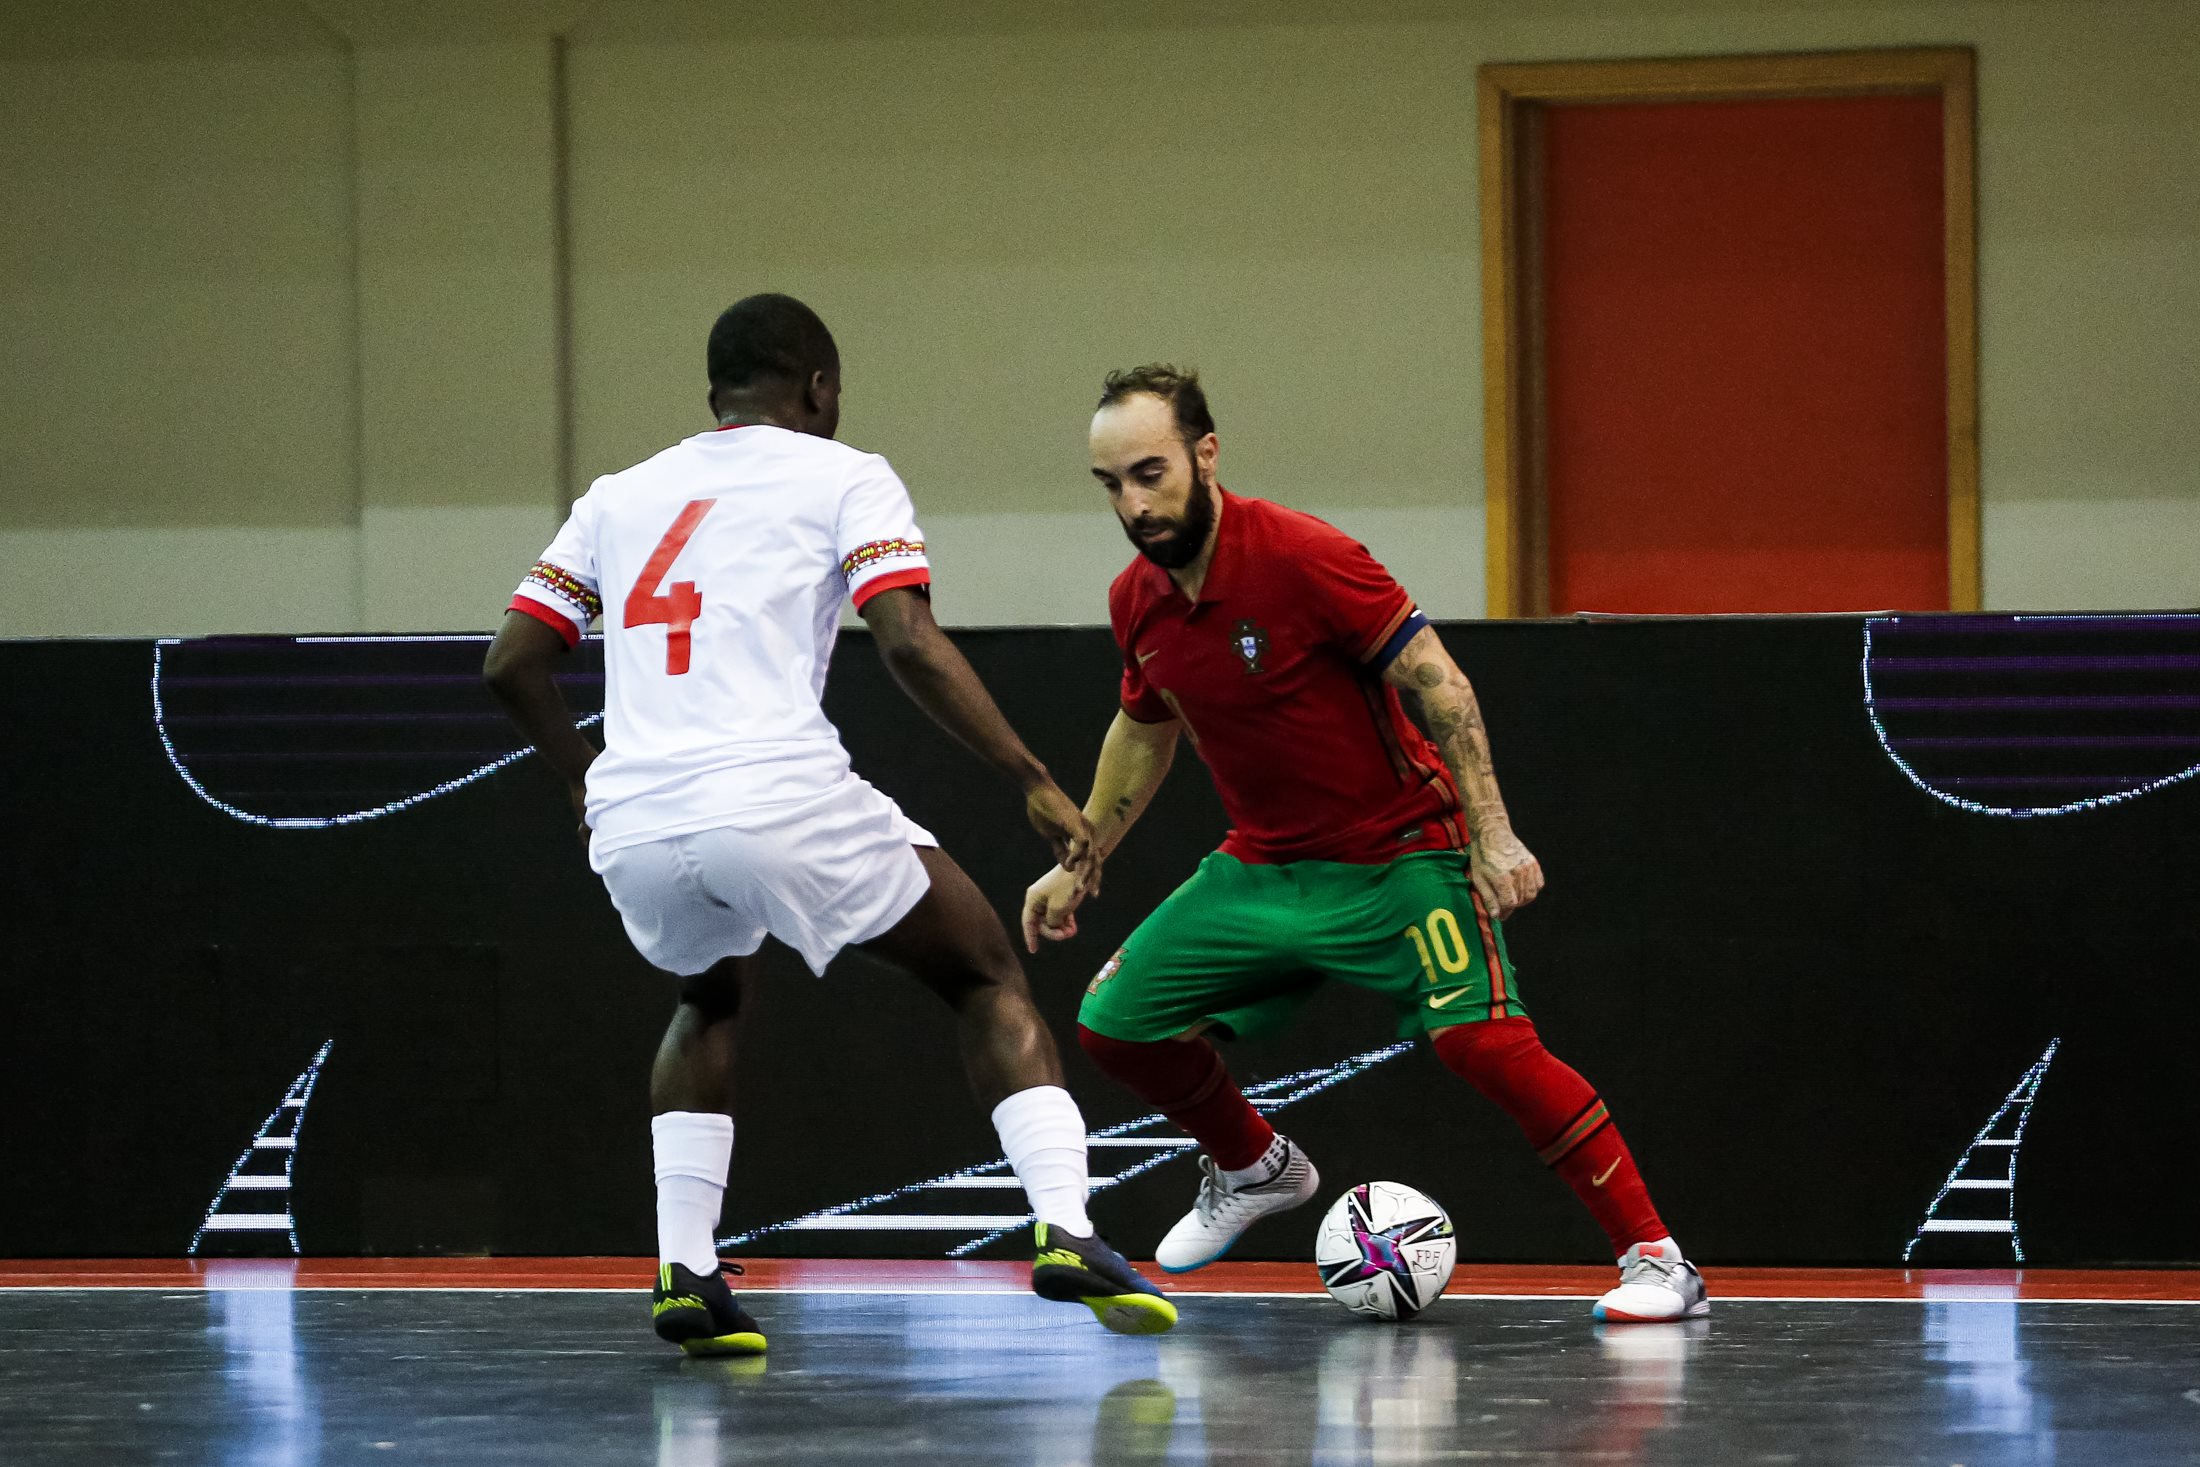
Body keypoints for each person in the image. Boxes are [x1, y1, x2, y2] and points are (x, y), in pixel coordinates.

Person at [484, 295, 1174, 1354]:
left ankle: (684, 1270)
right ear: (816, 387)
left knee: (707, 994)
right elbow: (904, 639)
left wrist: (585, 786)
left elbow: (512, 663)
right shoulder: (843, 471)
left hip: (635, 815)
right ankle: (1068, 1228)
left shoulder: (617, 496)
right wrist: (1030, 776)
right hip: (772, 792)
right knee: (981, 969)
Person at [1020, 365, 1707, 1323]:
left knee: (1483, 1042)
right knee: (1115, 1022)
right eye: (1112, 485)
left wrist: (1493, 834)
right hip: (1263, 869)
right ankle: (1255, 1166)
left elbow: (1438, 682)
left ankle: (1657, 1260)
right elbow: (1144, 728)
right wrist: (1080, 856)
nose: (1134, 503)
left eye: (1150, 473)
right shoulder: (1136, 599)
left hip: (1401, 858)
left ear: (1205, 454)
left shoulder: (1306, 555)